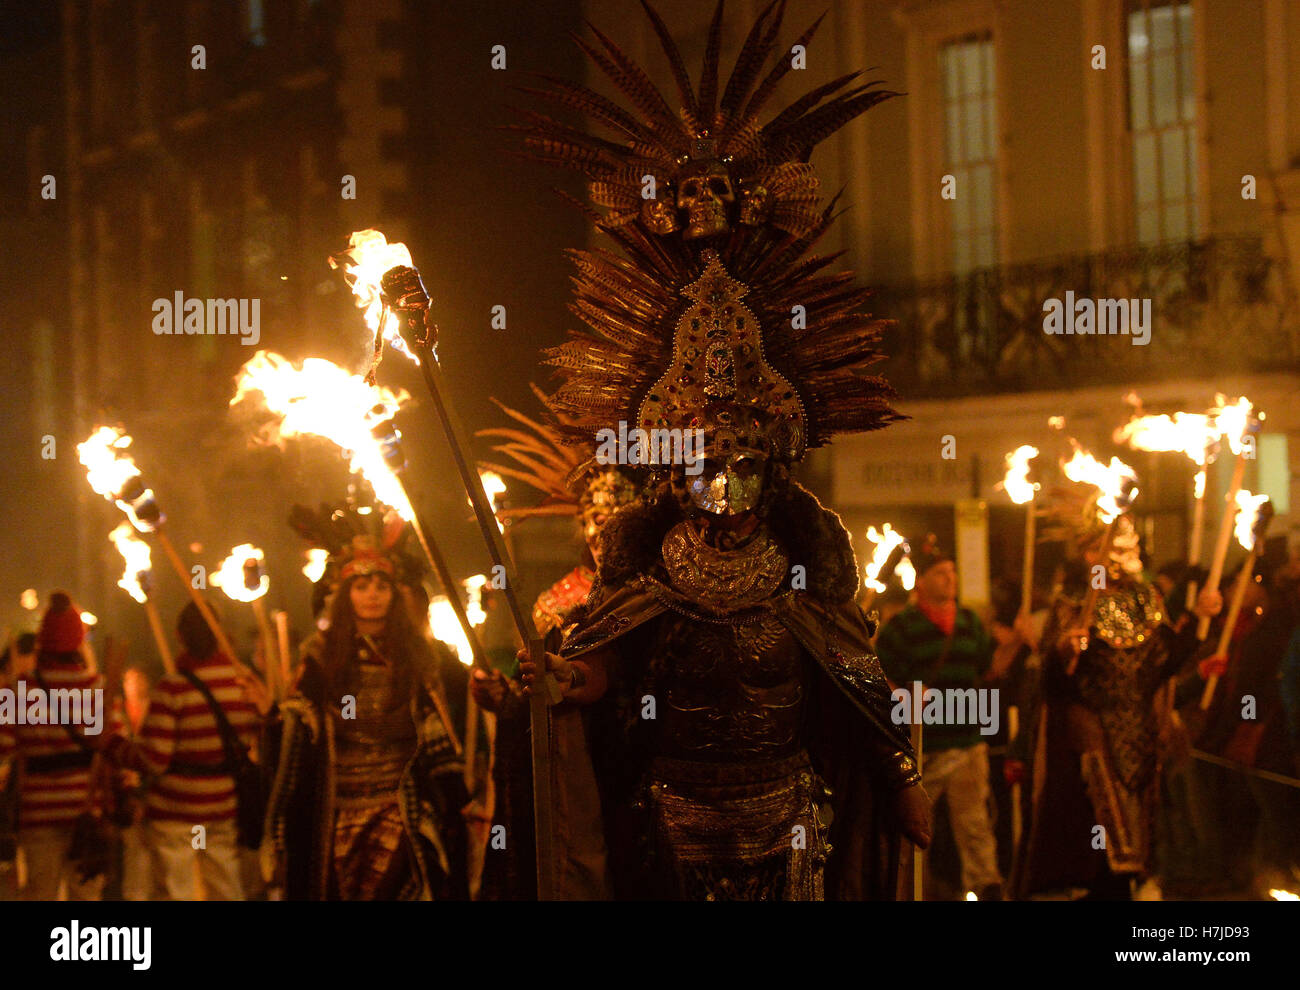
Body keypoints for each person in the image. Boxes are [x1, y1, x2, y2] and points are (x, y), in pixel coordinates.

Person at [506, 0, 933, 900]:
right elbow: (607, 669)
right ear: (672, 461)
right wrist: (557, 685)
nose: (728, 482)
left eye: (743, 457)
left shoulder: (806, 562)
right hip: (672, 823)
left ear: (776, 453)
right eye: (707, 457)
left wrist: (899, 776)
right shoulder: (647, 563)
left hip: (791, 823)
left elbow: (854, 675)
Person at [471, 394, 640, 899]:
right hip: (578, 773)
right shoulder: (556, 604)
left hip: (650, 768)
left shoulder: (660, 594)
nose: (602, 531)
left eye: (617, 518)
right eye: (594, 518)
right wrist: (509, 700)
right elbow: (538, 707)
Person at [1016, 489, 1221, 900]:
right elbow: (1054, 686)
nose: (1106, 553)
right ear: (1085, 551)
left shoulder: (1147, 599)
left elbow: (1163, 663)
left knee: (1139, 841)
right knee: (1098, 842)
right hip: (1092, 735)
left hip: (1140, 733)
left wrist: (1201, 617)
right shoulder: (1072, 603)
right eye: (1097, 546)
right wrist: (1061, 653)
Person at [265, 505, 469, 899]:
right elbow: (295, 741)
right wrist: (281, 719)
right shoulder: (322, 657)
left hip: (400, 807)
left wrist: (453, 793)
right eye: (361, 586)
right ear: (345, 595)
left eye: (381, 585)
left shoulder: (417, 656)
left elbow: (437, 732)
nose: (372, 595)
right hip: (338, 811)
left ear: (394, 593)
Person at [875, 537, 1011, 900]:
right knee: (918, 827)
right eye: (940, 573)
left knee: (975, 824)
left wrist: (1015, 643)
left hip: (967, 741)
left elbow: (988, 670)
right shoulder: (901, 627)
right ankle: (913, 891)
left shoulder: (969, 621)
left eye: (952, 572)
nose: (950, 579)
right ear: (921, 581)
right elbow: (876, 676)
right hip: (924, 747)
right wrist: (903, 696)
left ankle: (985, 887)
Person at [104, 602, 267, 900]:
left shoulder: (173, 688)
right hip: (221, 807)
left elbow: (153, 759)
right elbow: (259, 734)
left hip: (176, 816)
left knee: (176, 890)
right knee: (224, 886)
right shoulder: (242, 682)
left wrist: (113, 745)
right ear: (219, 634)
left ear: (180, 636)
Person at [0, 593, 107, 900]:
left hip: (38, 814)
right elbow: (111, 747)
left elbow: (4, 747)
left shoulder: (19, 690)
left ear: (43, 640)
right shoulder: (96, 689)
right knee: (86, 897)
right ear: (78, 642)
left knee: (40, 895)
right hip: (86, 811)